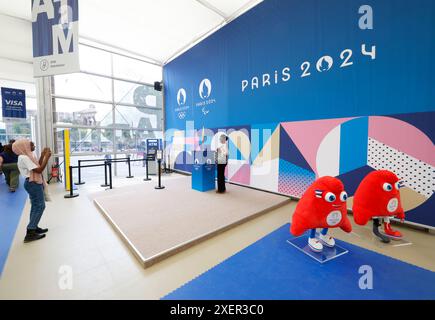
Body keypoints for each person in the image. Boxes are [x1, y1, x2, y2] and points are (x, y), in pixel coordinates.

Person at [12, 139, 51, 243]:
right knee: (40, 206)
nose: (33, 145)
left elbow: (36, 165)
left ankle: (33, 227)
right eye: (31, 144)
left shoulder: (26, 156)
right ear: (24, 146)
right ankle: (30, 232)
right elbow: (39, 170)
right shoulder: (24, 157)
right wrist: (47, 158)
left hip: (31, 182)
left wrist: (42, 155)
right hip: (32, 183)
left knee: (35, 206)